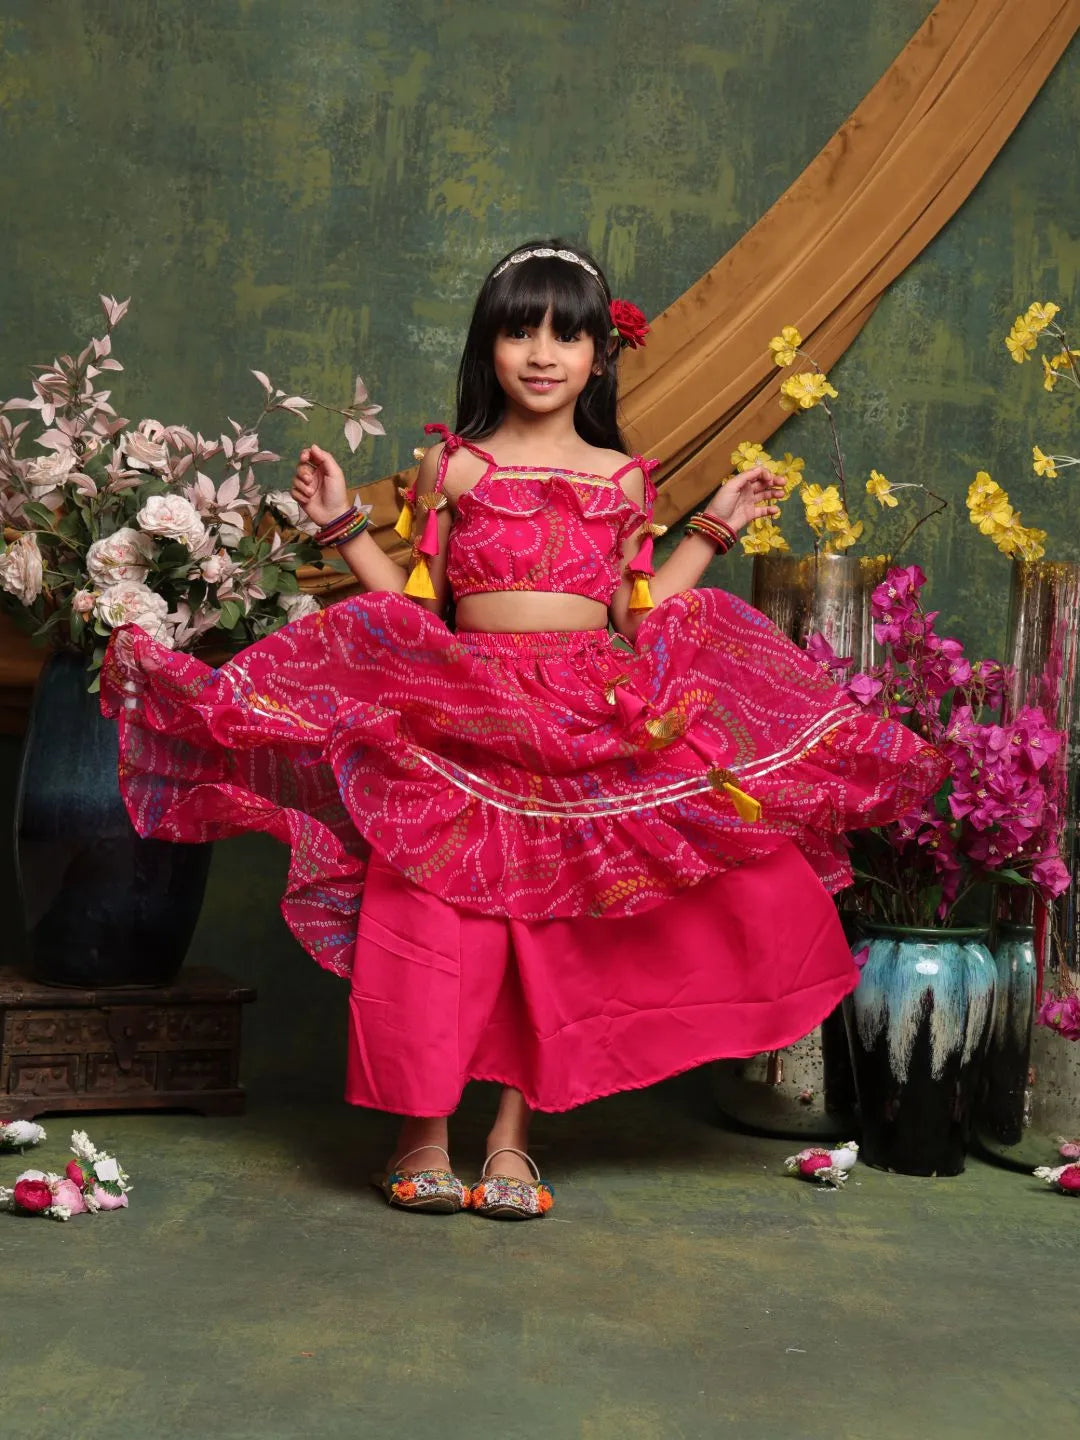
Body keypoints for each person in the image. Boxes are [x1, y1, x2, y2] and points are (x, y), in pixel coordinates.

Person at [102, 240, 944, 1220]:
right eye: (519, 332)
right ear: (487, 346)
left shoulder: (623, 480)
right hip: (462, 706)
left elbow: (637, 613)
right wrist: (340, 525)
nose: (543, 354)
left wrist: (714, 526)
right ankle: (421, 1136)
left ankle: (511, 1140)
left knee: (551, 933)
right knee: (429, 914)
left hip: (581, 714)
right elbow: (416, 606)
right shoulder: (452, 466)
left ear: (599, 355)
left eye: (567, 336)